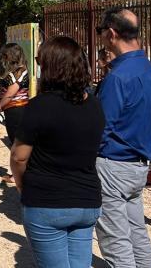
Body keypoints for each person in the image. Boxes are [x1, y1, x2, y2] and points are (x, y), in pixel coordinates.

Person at [10, 36, 105, 268]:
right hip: (87, 200)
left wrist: (23, 185)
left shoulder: (40, 106)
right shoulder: (94, 104)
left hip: (47, 202)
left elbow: (19, 156)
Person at [94, 7, 151, 268]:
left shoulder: (118, 77)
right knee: (137, 235)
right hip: (138, 166)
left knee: (115, 242)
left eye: (102, 32)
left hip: (113, 165)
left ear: (111, 34)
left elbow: (102, 128)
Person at [0, 43, 31, 182]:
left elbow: (11, 92)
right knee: (14, 142)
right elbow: (5, 90)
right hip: (11, 110)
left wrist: (0, 105)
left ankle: (20, 174)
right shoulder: (14, 69)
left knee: (18, 143)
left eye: (5, 55)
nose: (3, 58)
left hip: (18, 109)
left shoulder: (21, 71)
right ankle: (16, 173)